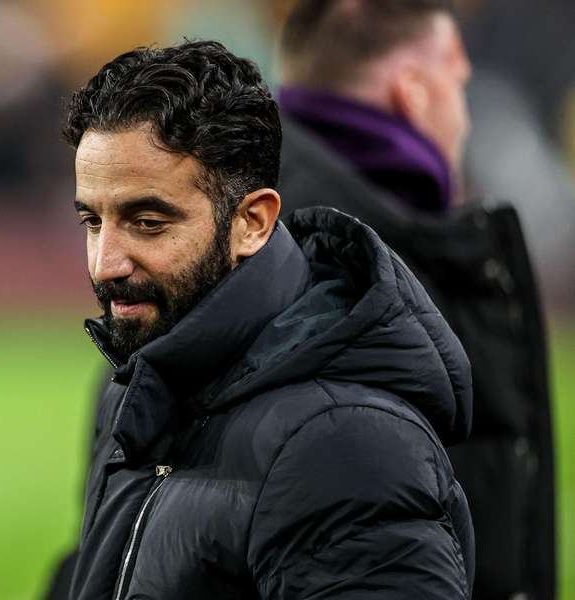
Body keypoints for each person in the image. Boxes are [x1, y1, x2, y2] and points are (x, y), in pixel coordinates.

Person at [60, 40, 474, 600]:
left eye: (148, 222)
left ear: (253, 222)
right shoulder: (138, 393)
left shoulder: (347, 444)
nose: (106, 263)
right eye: (92, 220)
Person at [275, 1, 555, 599]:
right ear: (415, 94)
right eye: (458, 79)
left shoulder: (230, 241)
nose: (468, 118)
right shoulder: (384, 276)